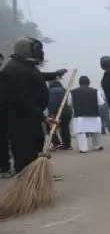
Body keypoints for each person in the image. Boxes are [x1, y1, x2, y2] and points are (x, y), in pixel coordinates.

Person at [0, 37, 66, 173]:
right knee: (25, 154)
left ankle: (35, 181)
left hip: (30, 118)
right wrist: (44, 117)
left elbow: (36, 76)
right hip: (20, 121)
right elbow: (23, 100)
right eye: (38, 49)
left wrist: (55, 75)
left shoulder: (24, 66)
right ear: (26, 50)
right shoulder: (13, 70)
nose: (41, 52)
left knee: (35, 149)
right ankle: (26, 184)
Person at [71, 76, 104, 153]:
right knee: (96, 131)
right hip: (94, 114)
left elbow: (69, 103)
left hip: (79, 115)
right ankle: (97, 146)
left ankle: (83, 149)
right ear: (89, 82)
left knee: (81, 132)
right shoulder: (95, 91)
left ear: (79, 83)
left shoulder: (73, 92)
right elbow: (101, 102)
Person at [47, 80, 73, 150]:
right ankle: (67, 145)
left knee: (50, 128)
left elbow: (51, 103)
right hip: (67, 112)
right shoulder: (65, 90)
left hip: (56, 112)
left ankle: (57, 144)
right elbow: (70, 102)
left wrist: (51, 114)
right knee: (65, 128)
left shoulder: (51, 91)